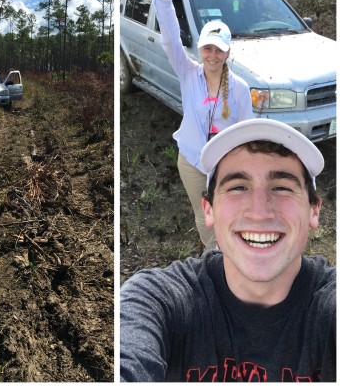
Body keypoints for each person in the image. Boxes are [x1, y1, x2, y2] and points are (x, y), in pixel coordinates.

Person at [120, 118, 336, 382]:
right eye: (237, 187)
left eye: (281, 187)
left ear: (314, 209)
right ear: (208, 209)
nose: (259, 212)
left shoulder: (329, 308)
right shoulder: (158, 301)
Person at [155, 0, 254, 251]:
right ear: (200, 48)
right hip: (192, 162)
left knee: (228, 211)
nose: (212, 55)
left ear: (227, 52)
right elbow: (171, 39)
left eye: (219, 49)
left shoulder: (239, 89)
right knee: (204, 213)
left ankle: (235, 250)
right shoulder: (187, 72)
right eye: (207, 48)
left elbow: (246, 134)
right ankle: (214, 256)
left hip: (225, 164)